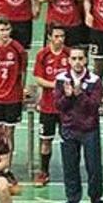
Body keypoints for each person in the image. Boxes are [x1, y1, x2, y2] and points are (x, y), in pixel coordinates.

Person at [55, 46, 103, 203]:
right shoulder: (62, 79)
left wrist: (80, 94)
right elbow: (59, 106)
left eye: (80, 58)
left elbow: (94, 106)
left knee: (94, 168)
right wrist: (68, 96)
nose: (77, 62)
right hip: (69, 129)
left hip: (89, 129)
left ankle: (97, 201)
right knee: (70, 168)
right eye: (74, 58)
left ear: (86, 60)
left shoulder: (94, 80)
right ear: (69, 60)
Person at [32, 26, 71, 186]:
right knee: (45, 141)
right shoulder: (43, 55)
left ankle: (70, 172)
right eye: (56, 36)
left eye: (62, 36)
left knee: (69, 141)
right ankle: (44, 172)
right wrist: (56, 84)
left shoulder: (69, 54)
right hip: (48, 107)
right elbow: (38, 79)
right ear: (49, 37)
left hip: (66, 108)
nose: (60, 39)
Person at [0, 19, 28, 135]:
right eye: (2, 30)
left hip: (13, 96)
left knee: (9, 132)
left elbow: (23, 72)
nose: (5, 33)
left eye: (7, 30)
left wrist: (21, 91)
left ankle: (9, 153)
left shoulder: (19, 49)